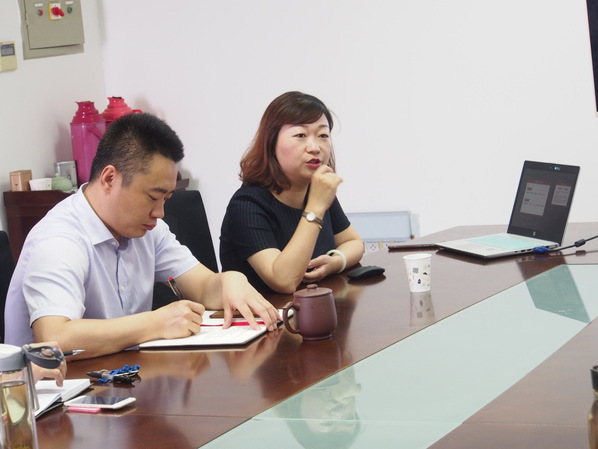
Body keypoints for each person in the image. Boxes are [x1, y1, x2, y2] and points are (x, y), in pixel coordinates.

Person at [5, 113, 280, 359]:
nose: (160, 213)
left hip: (122, 378)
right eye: (152, 197)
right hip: (57, 393)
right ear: (109, 179)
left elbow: (203, 286)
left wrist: (229, 280)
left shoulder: (148, 229)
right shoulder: (59, 238)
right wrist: (155, 323)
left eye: (166, 199)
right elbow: (55, 340)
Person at [220, 91, 363, 294]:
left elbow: (353, 242)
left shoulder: (316, 190)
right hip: (268, 311)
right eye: (300, 135)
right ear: (272, 143)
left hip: (313, 306)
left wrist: (336, 261)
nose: (315, 147)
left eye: (323, 135)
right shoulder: (246, 204)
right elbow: (284, 281)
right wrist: (315, 207)